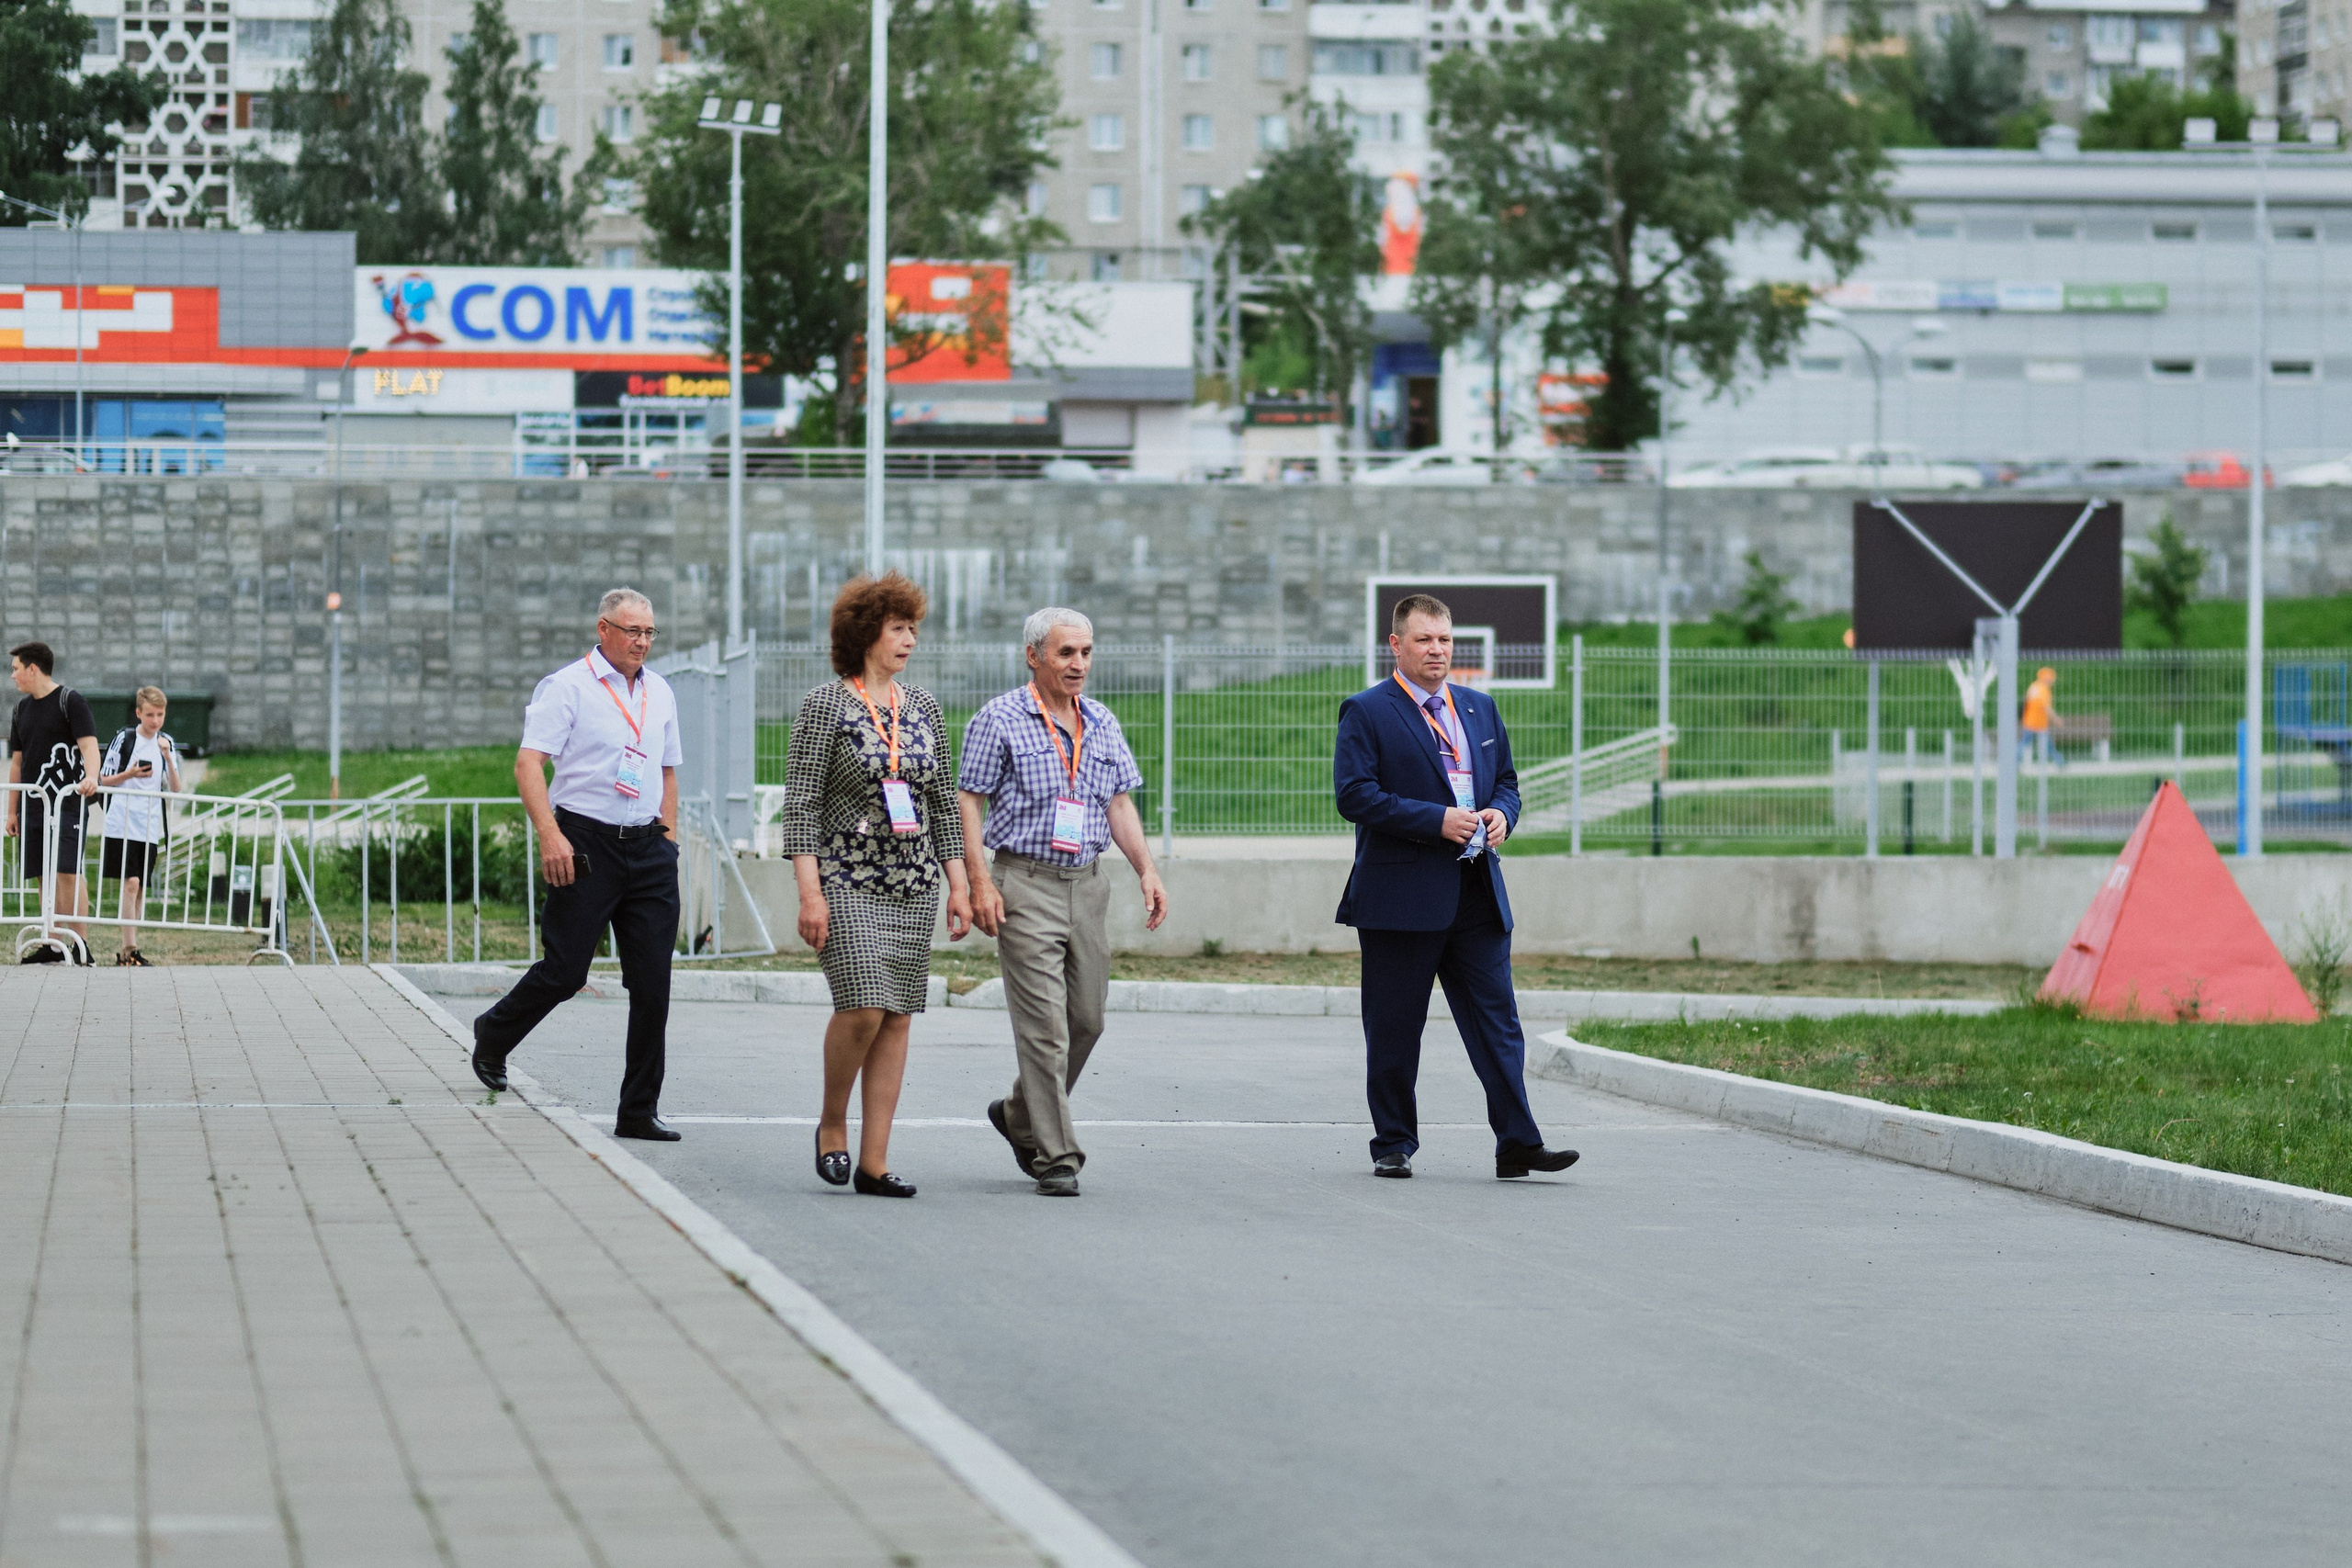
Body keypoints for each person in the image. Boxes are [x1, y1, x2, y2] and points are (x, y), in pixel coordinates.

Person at [1332, 593, 1579, 1181]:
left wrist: (1502, 815)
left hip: (1476, 893)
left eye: (1444, 640)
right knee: (1395, 1028)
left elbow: (1510, 784)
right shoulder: (1367, 711)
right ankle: (1393, 1142)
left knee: (1499, 1026)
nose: (1437, 650)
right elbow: (1354, 796)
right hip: (1401, 900)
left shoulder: (1479, 708)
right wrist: (1435, 820)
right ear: (1396, 645)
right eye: (1424, 640)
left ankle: (1518, 1143)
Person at [958, 607, 1169, 1198]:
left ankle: (1018, 1114)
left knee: (1087, 1020)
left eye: (1085, 653)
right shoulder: (998, 719)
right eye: (1066, 653)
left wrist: (1147, 871)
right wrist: (979, 882)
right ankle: (1056, 1155)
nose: (1079, 665)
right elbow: (968, 803)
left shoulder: (1101, 721)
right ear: (1035, 657)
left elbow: (1118, 804)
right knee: (1046, 1028)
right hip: (1023, 883)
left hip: (1088, 884)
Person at [781, 572, 974, 1200]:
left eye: (914, 628)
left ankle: (874, 1160)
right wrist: (810, 893)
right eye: (898, 628)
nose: (910, 639)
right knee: (862, 1004)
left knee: (896, 1016)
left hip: (912, 882)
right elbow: (802, 804)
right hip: (845, 877)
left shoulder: (923, 708)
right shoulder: (825, 705)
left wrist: (960, 885)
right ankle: (832, 1122)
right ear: (866, 633)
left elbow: (943, 804)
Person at [471, 589, 685, 1141]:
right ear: (604, 628)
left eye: (650, 633)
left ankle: (638, 1110)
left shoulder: (659, 691)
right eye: (633, 631)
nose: (643, 642)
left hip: (648, 849)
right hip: (586, 841)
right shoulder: (566, 687)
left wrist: (669, 840)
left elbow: (665, 770)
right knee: (567, 971)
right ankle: (494, 1034)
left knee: (653, 984)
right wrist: (550, 836)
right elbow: (528, 764)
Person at [6, 642, 101, 964]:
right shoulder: (20, 709)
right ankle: (52, 941)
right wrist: (12, 810)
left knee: (67, 871)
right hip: (35, 803)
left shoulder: (70, 701)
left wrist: (92, 778)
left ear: (33, 669)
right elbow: (17, 763)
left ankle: (81, 945)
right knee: (42, 874)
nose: (13, 675)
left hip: (67, 802)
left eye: (16, 668)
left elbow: (89, 746)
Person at [96, 685, 183, 966]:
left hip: (149, 824)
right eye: (149, 715)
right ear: (138, 713)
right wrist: (129, 773)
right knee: (130, 882)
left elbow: (176, 788)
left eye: (160, 715)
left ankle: (128, 949)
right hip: (122, 819)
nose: (155, 721)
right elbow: (102, 779)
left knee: (140, 886)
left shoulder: (166, 742)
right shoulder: (125, 738)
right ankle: (129, 946)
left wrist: (168, 757)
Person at [2022, 665, 2059, 765]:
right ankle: (2060, 762)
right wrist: (2055, 718)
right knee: (2046, 744)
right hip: (2039, 722)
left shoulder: (2034, 686)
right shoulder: (2043, 689)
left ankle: (2060, 762)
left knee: (2026, 743)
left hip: (2030, 720)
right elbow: (2046, 707)